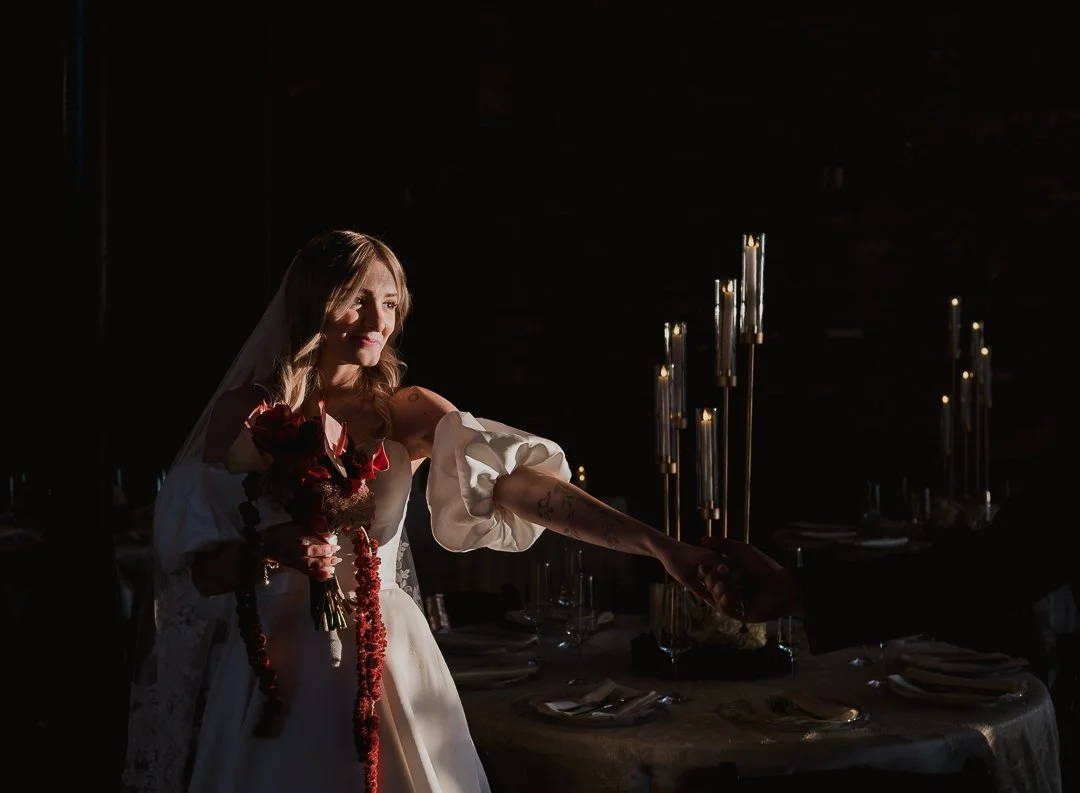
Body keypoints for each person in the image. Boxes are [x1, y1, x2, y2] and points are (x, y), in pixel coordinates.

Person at [122, 229, 725, 793]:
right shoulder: (244, 413)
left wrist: (663, 548)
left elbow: (520, 484)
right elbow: (196, 574)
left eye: (390, 303)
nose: (378, 320)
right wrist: (269, 551)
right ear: (314, 301)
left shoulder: (403, 412)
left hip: (389, 664)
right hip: (272, 672)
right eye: (358, 299)